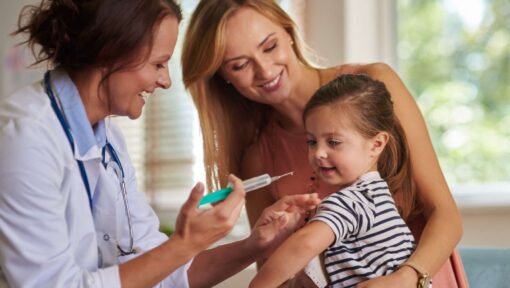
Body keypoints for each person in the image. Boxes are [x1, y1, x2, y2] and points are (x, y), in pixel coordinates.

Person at [0, 1, 321, 287]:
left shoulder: (109, 140)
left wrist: (255, 245)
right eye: (158, 64)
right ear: (110, 54)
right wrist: (184, 243)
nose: (166, 81)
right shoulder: (26, 138)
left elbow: (161, 270)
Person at [182, 0, 467, 287]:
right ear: (223, 78)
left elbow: (446, 214)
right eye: (240, 65)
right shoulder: (257, 159)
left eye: (269, 47)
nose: (265, 70)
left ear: (289, 34)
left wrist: (406, 278)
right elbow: (274, 275)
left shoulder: (374, 85)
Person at [250, 74, 418, 287]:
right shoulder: (378, 196)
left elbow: (304, 244)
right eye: (311, 141)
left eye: (334, 142)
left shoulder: (355, 199)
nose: (319, 152)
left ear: (376, 144)